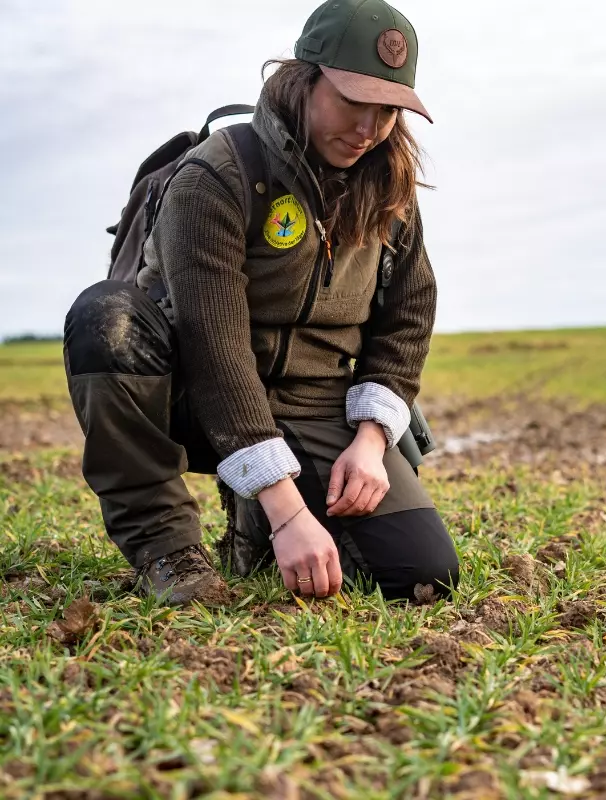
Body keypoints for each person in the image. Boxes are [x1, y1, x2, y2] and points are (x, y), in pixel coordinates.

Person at [62, 0, 459, 606]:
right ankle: (167, 548)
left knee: (422, 576)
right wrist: (287, 510)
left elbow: (408, 317)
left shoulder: (390, 186)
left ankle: (255, 524)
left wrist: (372, 439)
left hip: (318, 402)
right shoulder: (215, 176)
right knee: (106, 321)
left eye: (387, 110)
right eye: (352, 101)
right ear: (303, 82)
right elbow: (214, 347)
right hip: (196, 398)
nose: (368, 128)